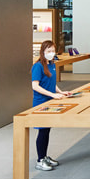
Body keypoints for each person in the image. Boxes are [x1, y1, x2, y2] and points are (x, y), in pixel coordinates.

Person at [31, 40, 67, 171]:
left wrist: (60, 92)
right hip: (41, 102)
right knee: (42, 131)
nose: (51, 53)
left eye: (53, 51)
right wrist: (52, 95)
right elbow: (35, 86)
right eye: (48, 51)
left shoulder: (52, 65)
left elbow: (51, 82)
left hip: (50, 102)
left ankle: (44, 156)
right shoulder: (38, 66)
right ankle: (40, 160)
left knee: (46, 130)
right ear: (43, 52)